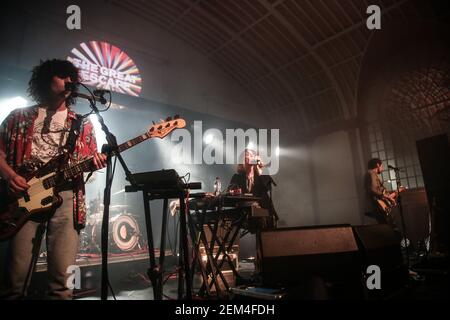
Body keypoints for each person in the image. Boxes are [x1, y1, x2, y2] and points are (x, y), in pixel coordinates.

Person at [0, 59, 107, 299]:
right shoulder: (19, 117)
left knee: (62, 282)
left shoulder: (82, 123)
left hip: (66, 198)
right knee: (15, 279)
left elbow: (88, 162)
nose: (69, 81)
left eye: (71, 77)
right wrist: (11, 176)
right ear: (46, 81)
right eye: (61, 76)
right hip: (24, 196)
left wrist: (96, 161)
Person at [364, 158, 400, 232]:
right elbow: (373, 189)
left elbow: (378, 191)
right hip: (377, 206)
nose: (382, 168)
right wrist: (389, 198)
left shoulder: (371, 174)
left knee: (387, 227)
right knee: (387, 228)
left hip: (378, 205)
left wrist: (396, 193)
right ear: (377, 165)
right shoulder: (371, 173)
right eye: (382, 166)